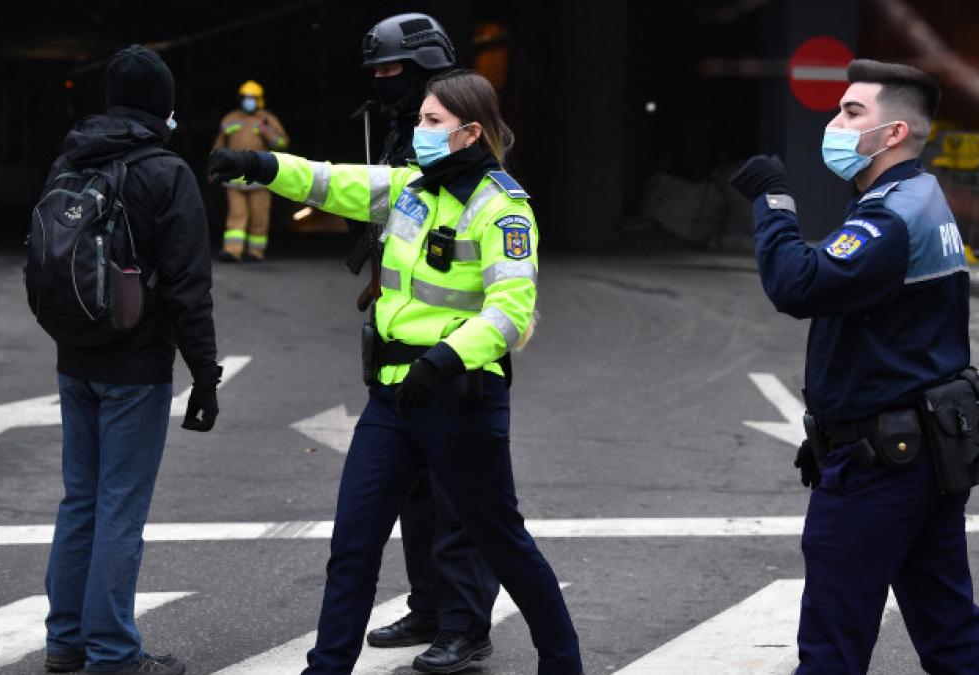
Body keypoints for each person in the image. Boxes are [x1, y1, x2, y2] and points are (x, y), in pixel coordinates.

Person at [209, 69, 582, 675]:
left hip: (459, 398)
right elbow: (331, 182)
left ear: (470, 133)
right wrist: (259, 165)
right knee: (353, 546)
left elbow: (512, 312)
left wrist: (443, 360)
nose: (420, 131)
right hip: (391, 402)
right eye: (420, 120)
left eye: (433, 122)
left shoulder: (503, 209)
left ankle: (563, 662)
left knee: (502, 543)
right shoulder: (411, 187)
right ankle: (325, 667)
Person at [729, 59, 979, 674]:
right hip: (923, 449)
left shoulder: (892, 215)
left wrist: (774, 200)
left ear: (894, 132)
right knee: (949, 630)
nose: (836, 123)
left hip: (883, 461)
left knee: (832, 643)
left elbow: (798, 285)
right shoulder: (917, 197)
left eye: (853, 112)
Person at [39, 44, 220, 675]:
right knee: (119, 510)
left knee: (79, 503)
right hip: (136, 369)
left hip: (74, 356)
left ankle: (65, 642)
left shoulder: (71, 157)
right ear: (163, 108)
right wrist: (205, 373)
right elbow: (189, 287)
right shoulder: (166, 172)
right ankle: (114, 654)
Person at [353, 13, 502, 673]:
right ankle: (430, 607)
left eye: (392, 71)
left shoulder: (461, 134)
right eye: (377, 72)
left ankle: (467, 627)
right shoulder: (400, 133)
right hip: (399, 345)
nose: (384, 83)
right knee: (416, 489)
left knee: (457, 492)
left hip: (455, 352)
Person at [214, 79, 289, 262]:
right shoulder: (230, 119)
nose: (248, 101)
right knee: (236, 215)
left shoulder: (267, 119)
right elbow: (219, 145)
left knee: (259, 216)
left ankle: (255, 252)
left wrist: (267, 132)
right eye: (245, 98)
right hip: (234, 176)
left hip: (259, 176)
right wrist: (214, 167)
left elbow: (282, 144)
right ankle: (233, 250)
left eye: (252, 98)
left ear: (259, 99)